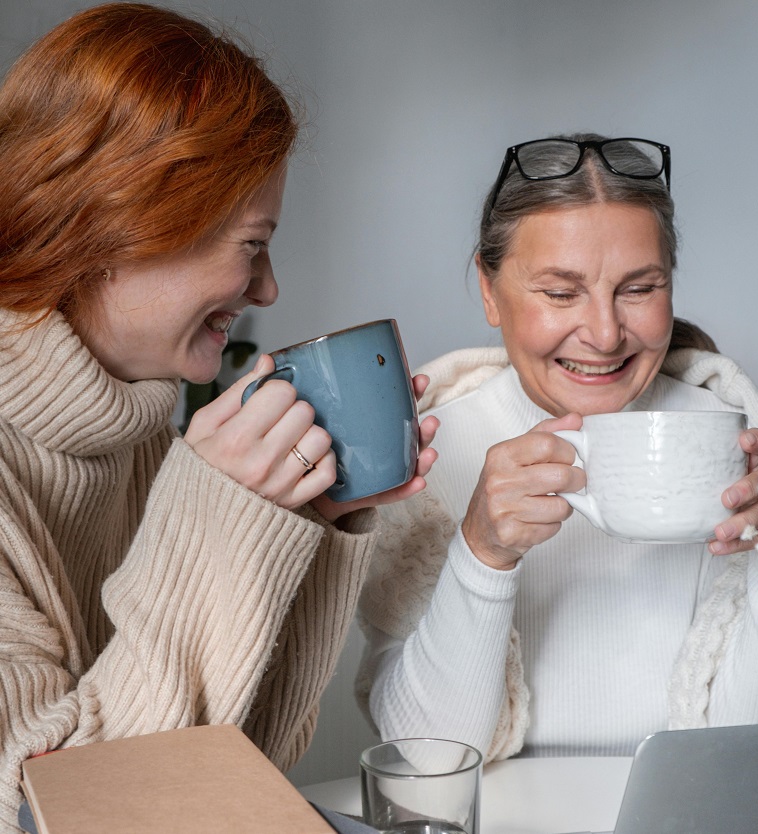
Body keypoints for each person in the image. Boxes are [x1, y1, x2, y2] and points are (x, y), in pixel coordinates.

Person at [0, 4, 438, 832]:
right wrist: (214, 512)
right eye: (251, 244)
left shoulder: (127, 433)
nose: (267, 290)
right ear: (123, 225)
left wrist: (301, 523)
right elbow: (49, 814)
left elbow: (236, 775)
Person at [356, 134, 758, 763]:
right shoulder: (430, 460)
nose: (603, 334)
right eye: (562, 293)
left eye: (638, 288)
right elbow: (427, 759)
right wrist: (482, 552)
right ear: (490, 291)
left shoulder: (737, 444)